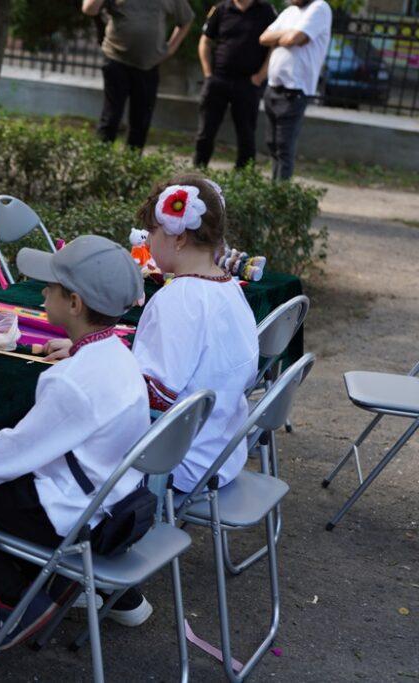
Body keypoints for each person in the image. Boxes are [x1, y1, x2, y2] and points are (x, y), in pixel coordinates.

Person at [0, 236, 151, 649]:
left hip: (76, 517)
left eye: (51, 287)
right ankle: (47, 581)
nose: (42, 291)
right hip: (114, 500)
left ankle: (17, 598)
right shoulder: (119, 352)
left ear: (74, 304)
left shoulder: (70, 381)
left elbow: (15, 451)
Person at [132, 174, 258, 492]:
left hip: (175, 464)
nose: (146, 242)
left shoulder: (178, 299)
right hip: (220, 452)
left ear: (178, 237)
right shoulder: (229, 287)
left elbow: (155, 396)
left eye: (152, 232)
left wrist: (95, 360)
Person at [82, 0, 194, 150]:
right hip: (116, 59)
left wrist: (171, 48)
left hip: (148, 65)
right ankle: (100, 164)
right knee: (111, 117)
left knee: (140, 122)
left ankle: (132, 168)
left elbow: (186, 19)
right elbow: (89, 9)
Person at [194, 0, 277, 169]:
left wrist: (260, 76)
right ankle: (198, 173)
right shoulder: (221, 9)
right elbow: (205, 41)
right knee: (205, 132)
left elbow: (273, 46)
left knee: (246, 134)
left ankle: (243, 178)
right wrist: (208, 74)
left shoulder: (266, 11)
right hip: (218, 80)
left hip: (248, 83)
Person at [259, 0, 332, 180]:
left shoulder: (319, 8)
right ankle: (274, 192)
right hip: (273, 87)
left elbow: (294, 39)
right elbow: (263, 38)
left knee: (284, 147)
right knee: (272, 144)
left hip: (294, 91)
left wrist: (284, 37)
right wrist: (286, 35)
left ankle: (279, 197)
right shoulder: (290, 12)